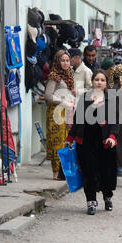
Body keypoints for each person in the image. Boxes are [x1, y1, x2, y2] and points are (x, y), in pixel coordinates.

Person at [65, 69, 119, 215]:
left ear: (106, 83)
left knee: (105, 172)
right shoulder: (85, 98)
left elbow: (115, 122)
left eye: (102, 80)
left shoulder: (111, 99)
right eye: (97, 80)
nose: (99, 82)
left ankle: (107, 197)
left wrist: (112, 137)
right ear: (92, 81)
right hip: (86, 141)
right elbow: (77, 120)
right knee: (88, 171)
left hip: (105, 142)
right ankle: (91, 202)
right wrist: (70, 138)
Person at [45, 50, 75, 180]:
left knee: (66, 141)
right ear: (57, 61)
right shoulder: (54, 76)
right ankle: (55, 172)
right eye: (62, 60)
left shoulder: (69, 74)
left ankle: (64, 172)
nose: (65, 63)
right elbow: (48, 96)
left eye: (67, 60)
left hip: (67, 111)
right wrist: (62, 102)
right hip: (55, 112)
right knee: (56, 141)